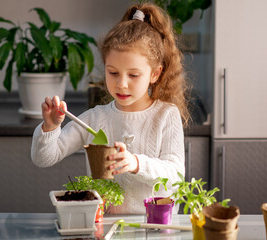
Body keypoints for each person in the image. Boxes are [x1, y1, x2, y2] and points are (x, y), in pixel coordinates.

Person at [31, 2, 191, 214]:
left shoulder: (165, 115)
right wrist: (50, 127)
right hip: (103, 226)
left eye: (133, 75)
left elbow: (175, 173)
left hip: (154, 227)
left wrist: (135, 163)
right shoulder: (94, 119)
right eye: (113, 73)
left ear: (155, 73)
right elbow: (44, 158)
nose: (121, 83)